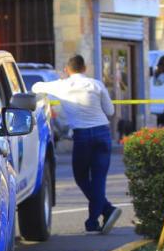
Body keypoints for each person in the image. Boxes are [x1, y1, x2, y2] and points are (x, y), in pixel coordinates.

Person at [32, 55, 122, 234]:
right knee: (99, 178)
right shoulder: (96, 84)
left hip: (82, 136)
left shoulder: (61, 86)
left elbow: (36, 87)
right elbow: (110, 111)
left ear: (67, 69)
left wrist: (54, 86)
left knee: (81, 177)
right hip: (102, 133)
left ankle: (100, 216)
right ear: (85, 68)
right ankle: (99, 216)